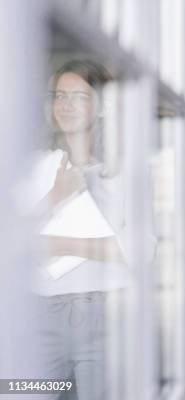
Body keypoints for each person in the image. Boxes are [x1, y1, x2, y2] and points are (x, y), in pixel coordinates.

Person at [30, 60, 129, 400]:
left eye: (79, 96)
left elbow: (139, 250)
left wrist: (57, 243)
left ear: (101, 106)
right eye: (59, 95)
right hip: (38, 314)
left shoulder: (122, 172)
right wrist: (54, 198)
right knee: (19, 391)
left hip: (105, 316)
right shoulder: (32, 166)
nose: (66, 104)